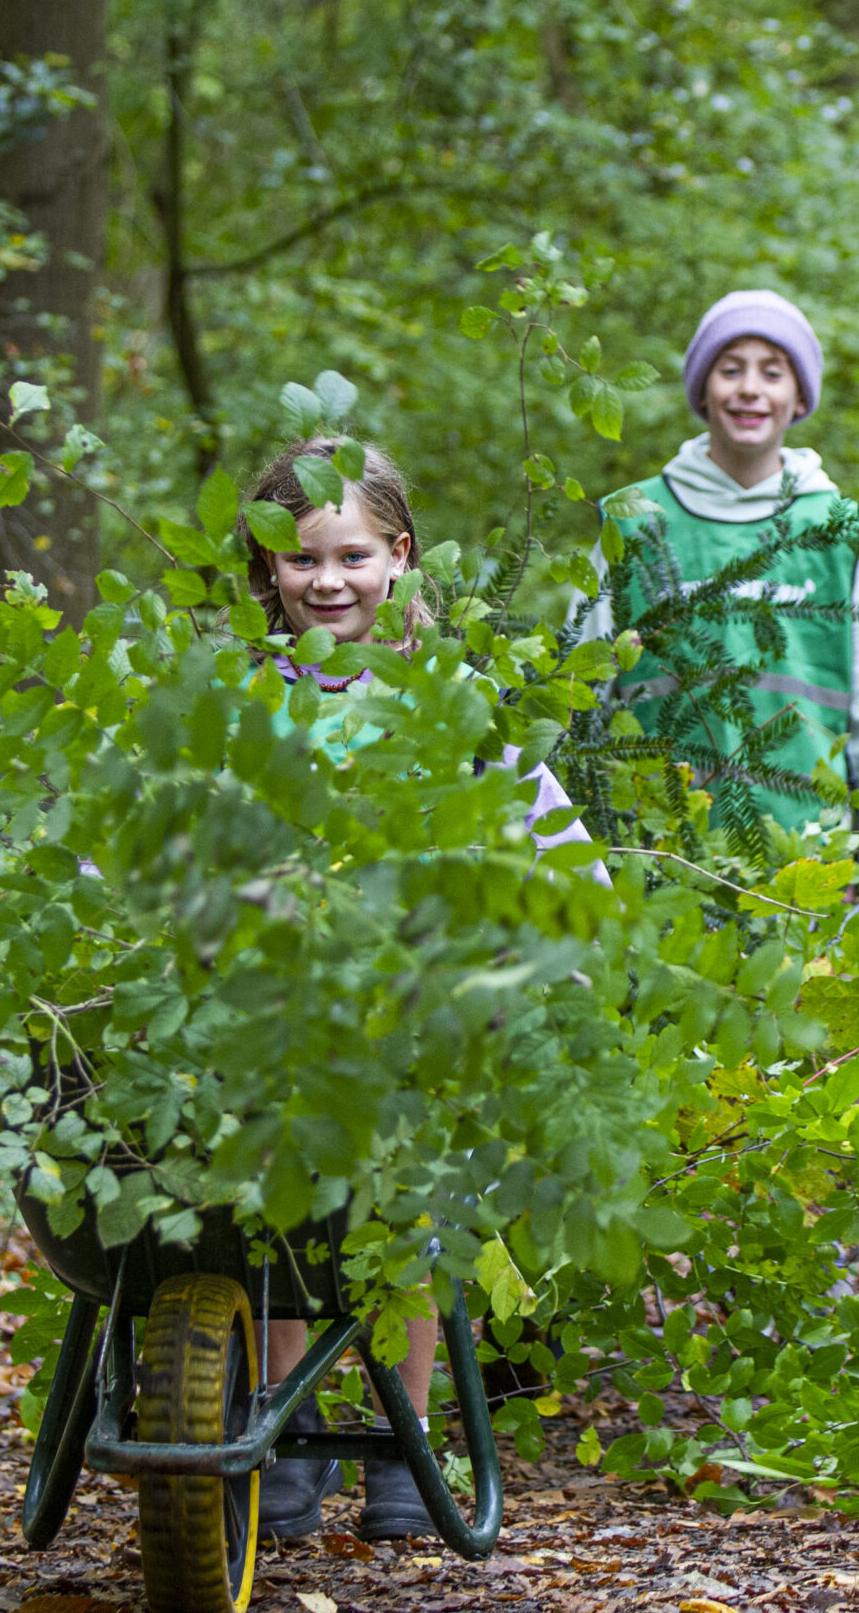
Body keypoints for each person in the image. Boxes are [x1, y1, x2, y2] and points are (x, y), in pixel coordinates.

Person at [236, 434, 596, 1542]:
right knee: (276, 1205)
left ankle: (404, 1427)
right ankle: (285, 1424)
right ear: (268, 574)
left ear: (398, 556)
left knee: (409, 1200)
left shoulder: (449, 705)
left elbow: (553, 847)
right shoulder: (245, 701)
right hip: (278, 1021)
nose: (327, 581)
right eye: (301, 562)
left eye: (349, 555)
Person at [575, 290, 859, 907]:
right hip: (656, 840)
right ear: (703, 389)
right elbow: (583, 683)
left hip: (807, 846)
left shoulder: (837, 529)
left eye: (772, 371)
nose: (750, 388)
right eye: (730, 369)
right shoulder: (634, 519)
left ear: (800, 397)